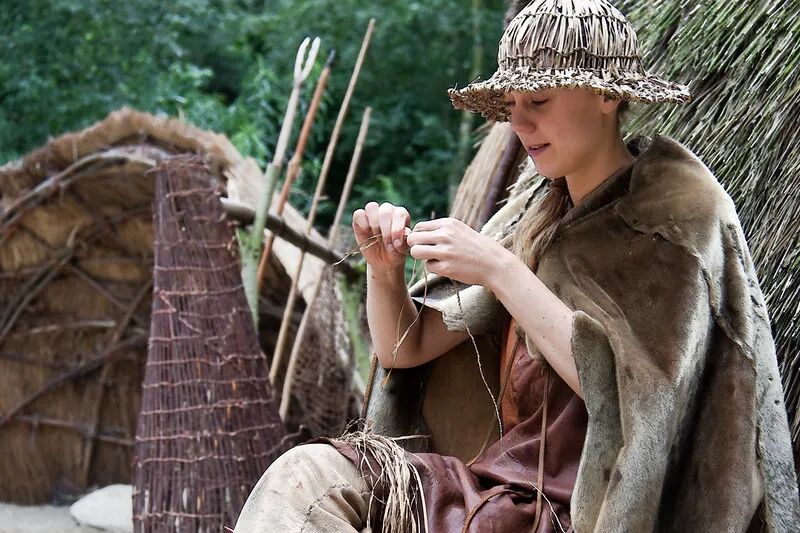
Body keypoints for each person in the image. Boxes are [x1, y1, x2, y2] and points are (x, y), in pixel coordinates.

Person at [234, 1, 800, 531]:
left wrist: (500, 270)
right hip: (493, 493)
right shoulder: (533, 218)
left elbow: (640, 405)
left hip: (574, 513)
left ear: (606, 96)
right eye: (512, 105)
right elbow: (404, 349)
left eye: (539, 101)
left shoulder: (677, 218)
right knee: (305, 479)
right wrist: (385, 272)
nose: (519, 123)